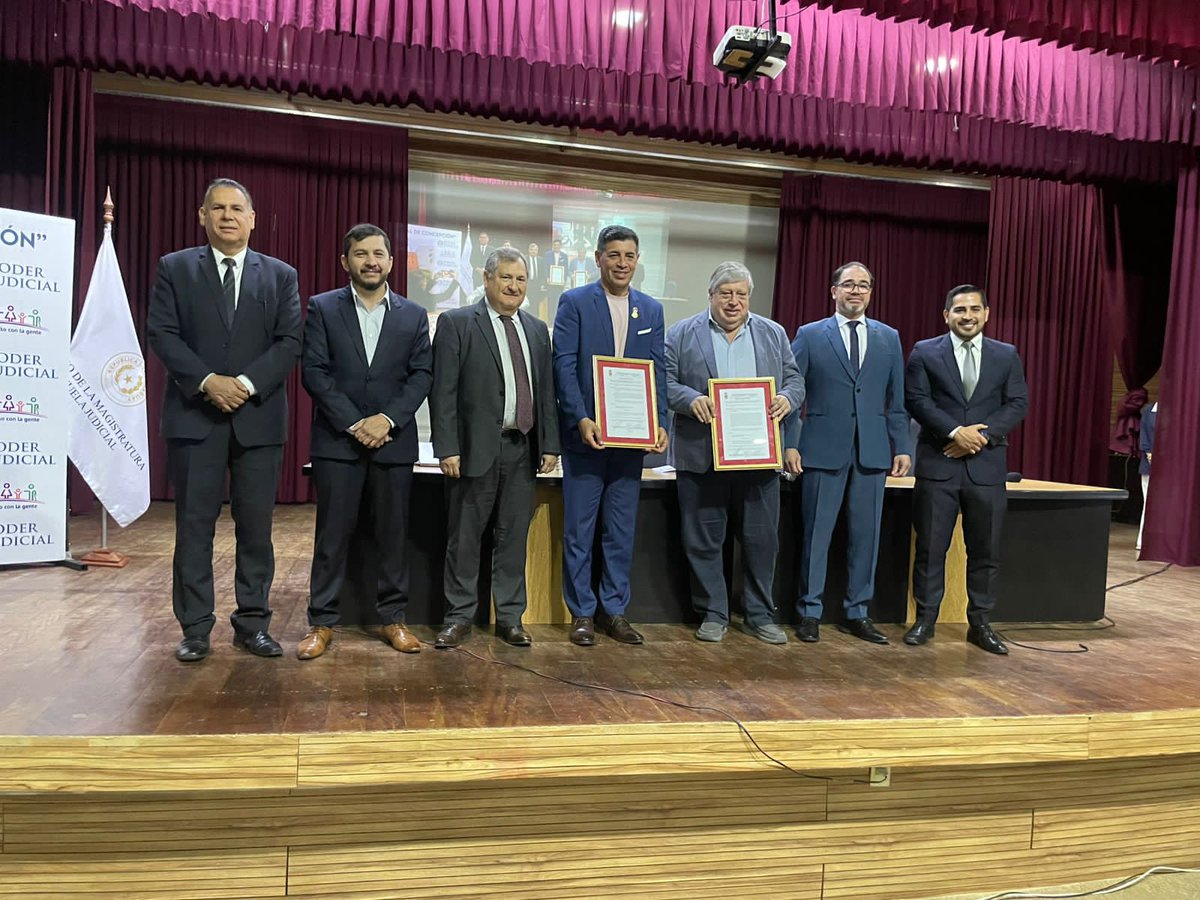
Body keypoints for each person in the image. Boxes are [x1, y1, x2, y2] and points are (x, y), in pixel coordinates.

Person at [147, 178, 302, 662]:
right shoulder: (175, 268)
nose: (228, 216)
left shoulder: (280, 275)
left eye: (237, 209)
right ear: (203, 216)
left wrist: (246, 385)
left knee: (255, 529)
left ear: (252, 219)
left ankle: (252, 624)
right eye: (218, 208)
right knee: (194, 528)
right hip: (195, 417)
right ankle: (195, 629)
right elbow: (162, 333)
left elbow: (289, 341)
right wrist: (207, 381)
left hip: (258, 420)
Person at [297, 223, 433, 660]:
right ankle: (321, 622)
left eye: (378, 254)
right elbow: (314, 371)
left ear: (391, 262)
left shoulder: (414, 315)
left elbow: (422, 375)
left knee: (393, 535)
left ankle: (394, 619)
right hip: (338, 443)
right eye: (361, 254)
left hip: (394, 442)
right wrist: (356, 423)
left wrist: (386, 420)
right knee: (331, 537)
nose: (370, 261)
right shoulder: (322, 307)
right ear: (345, 261)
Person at [665, 262, 805, 643]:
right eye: (725, 293)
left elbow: (795, 379)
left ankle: (759, 615)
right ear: (710, 295)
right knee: (704, 539)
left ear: (749, 297)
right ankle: (713, 612)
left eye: (741, 294)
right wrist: (690, 398)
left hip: (758, 456)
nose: (733, 301)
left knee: (761, 541)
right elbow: (664, 380)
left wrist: (786, 398)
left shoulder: (773, 333)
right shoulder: (681, 333)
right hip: (701, 456)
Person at [430, 248, 560, 648]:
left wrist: (550, 444)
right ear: (487, 279)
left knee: (513, 538)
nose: (514, 286)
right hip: (473, 451)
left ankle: (510, 618)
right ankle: (458, 618)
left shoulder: (536, 329)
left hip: (523, 449)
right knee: (465, 538)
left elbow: (545, 392)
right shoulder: (456, 323)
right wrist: (447, 448)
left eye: (520, 279)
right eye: (506, 277)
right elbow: (443, 391)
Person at [553, 225, 668, 646]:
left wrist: (660, 422)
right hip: (585, 439)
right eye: (614, 254)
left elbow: (658, 370)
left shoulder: (651, 310)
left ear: (637, 260)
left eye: (629, 256)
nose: (622, 263)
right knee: (579, 531)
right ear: (599, 258)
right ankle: (582, 613)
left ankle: (614, 611)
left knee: (620, 531)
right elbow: (564, 366)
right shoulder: (575, 302)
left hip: (630, 442)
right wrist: (580, 418)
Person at [790, 262, 911, 645]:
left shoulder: (889, 337)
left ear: (871, 292)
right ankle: (809, 611)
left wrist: (902, 446)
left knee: (866, 537)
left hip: (872, 452)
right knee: (817, 535)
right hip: (821, 450)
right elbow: (791, 392)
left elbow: (897, 401)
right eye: (848, 284)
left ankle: (858, 612)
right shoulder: (810, 335)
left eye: (863, 285)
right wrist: (789, 442)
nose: (856, 291)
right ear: (834, 291)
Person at [904, 284, 1028, 654]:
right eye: (960, 310)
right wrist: (956, 432)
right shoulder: (925, 352)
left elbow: (1017, 403)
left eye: (975, 309)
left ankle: (981, 624)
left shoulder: (1006, 354)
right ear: (947, 315)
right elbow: (916, 400)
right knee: (930, 549)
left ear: (986, 314)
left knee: (985, 551)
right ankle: (925, 620)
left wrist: (981, 437)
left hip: (986, 469)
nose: (968, 316)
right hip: (938, 465)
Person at [1137, 401, 1157, 552]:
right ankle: (1143, 541)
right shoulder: (1148, 410)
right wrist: (1149, 453)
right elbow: (1144, 438)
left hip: (1170, 466)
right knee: (1149, 503)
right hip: (1149, 465)